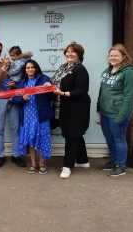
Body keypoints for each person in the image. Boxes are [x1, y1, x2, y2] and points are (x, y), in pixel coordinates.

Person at [43, 42, 91, 179]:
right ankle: (83, 161)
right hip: (63, 106)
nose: (69, 54)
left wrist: (62, 93)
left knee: (71, 136)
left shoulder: (80, 69)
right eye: (67, 51)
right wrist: (49, 84)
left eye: (73, 52)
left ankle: (67, 166)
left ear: (79, 55)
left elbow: (82, 91)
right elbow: (54, 82)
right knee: (75, 134)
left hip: (76, 108)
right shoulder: (63, 67)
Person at [96, 44, 133, 177]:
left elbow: (129, 96)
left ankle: (120, 165)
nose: (113, 58)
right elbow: (102, 92)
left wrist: (121, 116)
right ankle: (114, 161)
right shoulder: (106, 72)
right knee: (109, 138)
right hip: (105, 113)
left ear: (123, 57)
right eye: (111, 55)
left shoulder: (129, 73)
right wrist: (99, 111)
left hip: (118, 113)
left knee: (119, 139)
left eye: (116, 55)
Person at [0, 41, 25, 168]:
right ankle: (0, 156)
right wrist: (3, 68)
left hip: (13, 99)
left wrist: (16, 85)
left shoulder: (9, 63)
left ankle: (15, 155)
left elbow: (19, 78)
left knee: (15, 128)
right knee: (0, 129)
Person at [12, 60, 55, 174]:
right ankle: (33, 164)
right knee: (30, 141)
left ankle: (42, 164)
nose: (30, 69)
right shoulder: (21, 83)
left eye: (32, 67)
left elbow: (52, 97)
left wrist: (49, 88)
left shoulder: (44, 79)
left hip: (40, 115)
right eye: (27, 68)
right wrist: (22, 99)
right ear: (25, 70)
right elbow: (15, 99)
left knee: (41, 139)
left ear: (36, 68)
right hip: (27, 117)